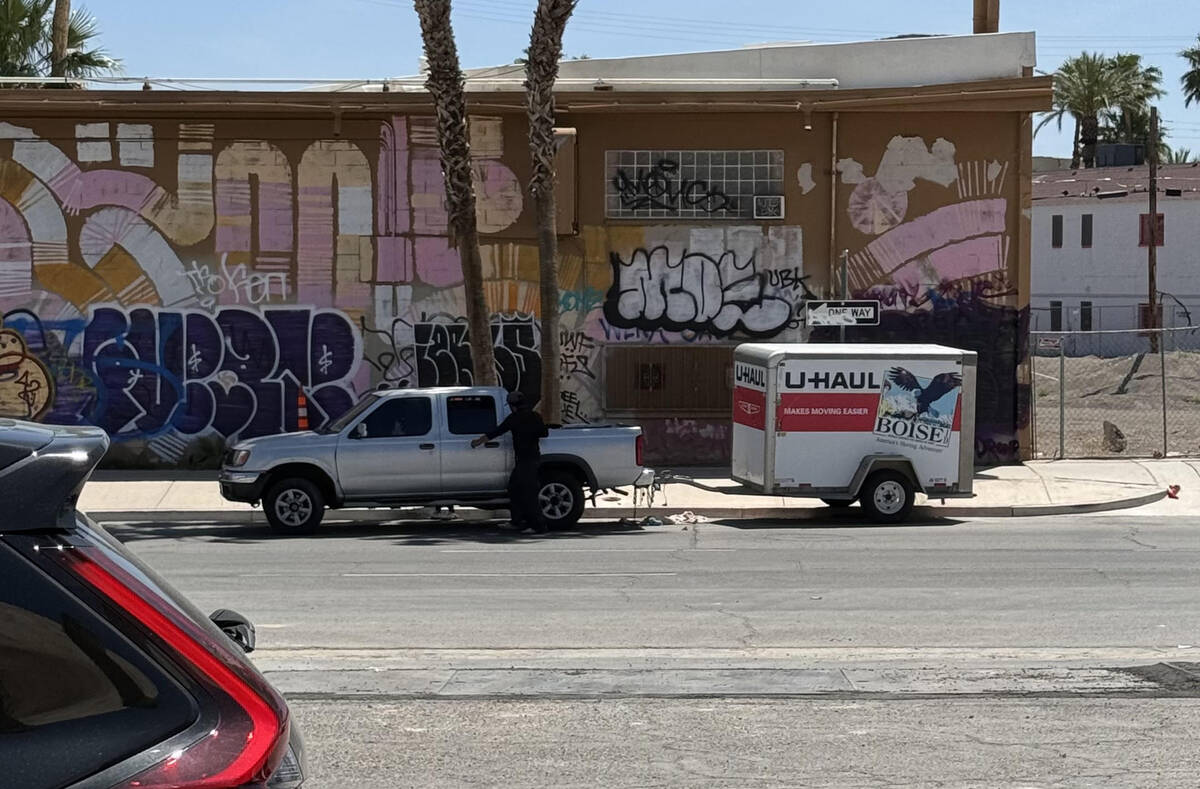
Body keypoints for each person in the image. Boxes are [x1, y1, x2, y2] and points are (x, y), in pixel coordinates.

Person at [472, 391, 549, 534]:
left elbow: (496, 432)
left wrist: (478, 442)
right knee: (514, 489)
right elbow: (544, 433)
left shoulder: (514, 418)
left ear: (512, 406)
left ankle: (539, 526)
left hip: (526, 461)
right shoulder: (535, 416)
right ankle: (517, 521)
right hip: (532, 459)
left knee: (528, 493)